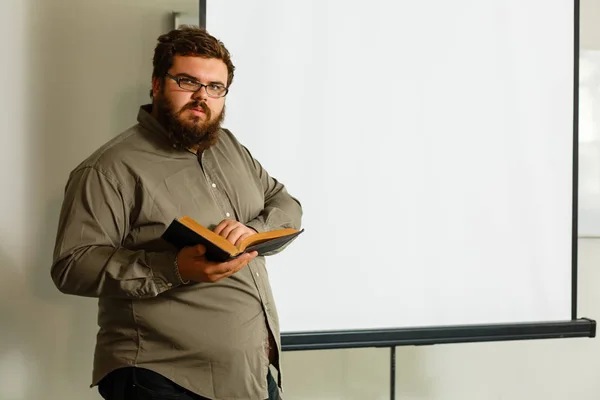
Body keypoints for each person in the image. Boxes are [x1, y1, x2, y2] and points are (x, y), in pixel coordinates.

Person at [50, 26, 302, 400]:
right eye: (188, 81)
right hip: (162, 379)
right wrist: (176, 268)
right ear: (156, 84)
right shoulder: (109, 169)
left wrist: (252, 230)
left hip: (247, 377)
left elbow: (285, 205)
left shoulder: (230, 148)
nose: (202, 97)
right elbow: (73, 265)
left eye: (215, 87)